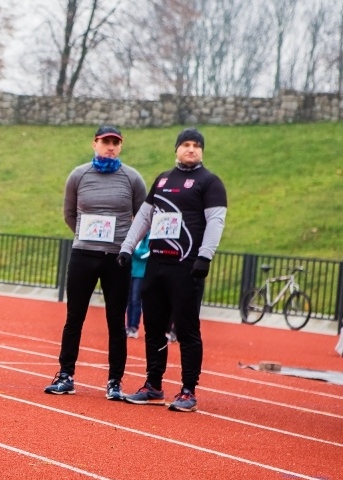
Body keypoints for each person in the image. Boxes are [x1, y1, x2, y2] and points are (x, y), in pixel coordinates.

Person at [117, 128, 227, 412]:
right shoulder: (163, 180)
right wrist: (127, 247)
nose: (191, 149)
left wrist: (205, 256)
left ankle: (188, 391)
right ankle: (153, 385)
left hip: (187, 266)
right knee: (153, 328)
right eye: (186, 145)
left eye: (196, 146)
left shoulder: (210, 182)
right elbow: (145, 215)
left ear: (201, 151)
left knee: (188, 331)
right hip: (157, 264)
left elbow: (216, 221)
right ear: (176, 149)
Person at [44, 125, 147, 401]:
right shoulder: (78, 176)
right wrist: (85, 236)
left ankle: (115, 381)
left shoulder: (133, 178)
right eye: (105, 142)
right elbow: (69, 213)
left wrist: (126, 245)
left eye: (115, 143)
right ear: (95, 144)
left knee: (116, 321)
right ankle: (65, 375)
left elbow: (143, 218)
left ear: (121, 146)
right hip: (83, 255)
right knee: (74, 317)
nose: (110, 147)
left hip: (117, 259)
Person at [126, 232, 150, 338]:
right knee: (128, 300)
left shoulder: (148, 235)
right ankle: (128, 325)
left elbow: (147, 253)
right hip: (130, 271)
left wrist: (134, 251)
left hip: (140, 273)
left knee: (136, 300)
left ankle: (134, 327)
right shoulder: (134, 235)